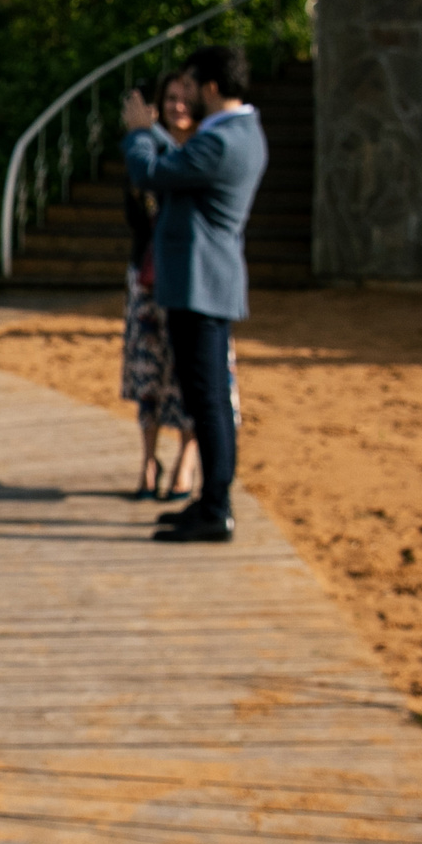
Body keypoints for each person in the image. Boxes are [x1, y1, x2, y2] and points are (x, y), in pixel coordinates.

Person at [122, 41, 266, 544]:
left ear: (210, 86)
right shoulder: (235, 133)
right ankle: (210, 502)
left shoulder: (224, 140)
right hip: (203, 283)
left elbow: (153, 173)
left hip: (201, 287)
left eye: (192, 85)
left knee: (208, 403)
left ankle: (215, 506)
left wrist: (140, 134)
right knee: (208, 400)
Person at [119, 70, 200, 499]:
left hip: (190, 282)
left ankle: (187, 461)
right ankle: (149, 461)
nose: (178, 106)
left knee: (191, 374)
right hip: (149, 276)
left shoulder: (206, 150)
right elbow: (134, 220)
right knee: (147, 371)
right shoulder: (145, 154)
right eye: (170, 98)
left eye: (185, 98)